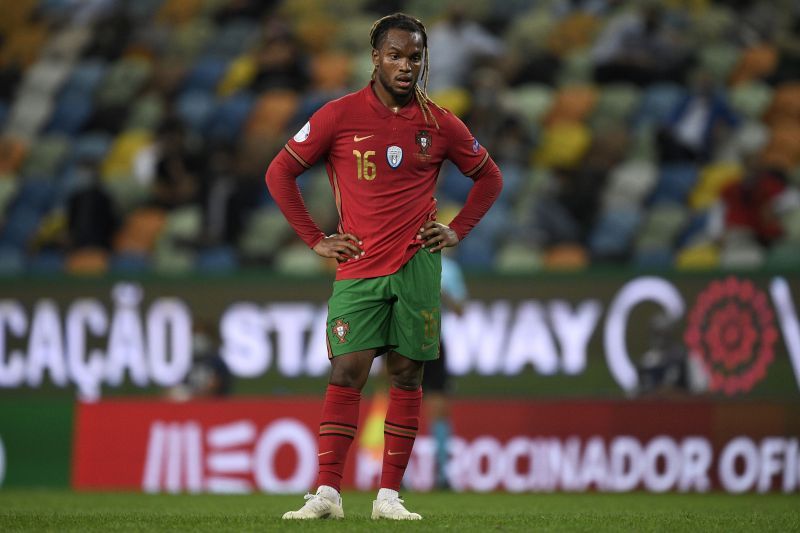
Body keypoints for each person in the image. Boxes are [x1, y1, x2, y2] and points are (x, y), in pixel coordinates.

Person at [265, 13, 502, 520]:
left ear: (423, 60)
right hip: (360, 263)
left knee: (408, 375)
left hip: (417, 264)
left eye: (414, 57)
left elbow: (490, 178)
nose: (405, 65)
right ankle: (327, 493)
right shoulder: (338, 115)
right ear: (375, 58)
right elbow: (279, 171)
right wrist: (315, 239)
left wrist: (458, 229)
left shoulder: (439, 122)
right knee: (347, 370)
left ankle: (388, 497)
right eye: (394, 55)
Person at [423, 252, 468, 489]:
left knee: (438, 407)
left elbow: (461, 309)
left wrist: (439, 293)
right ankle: (397, 476)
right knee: (398, 403)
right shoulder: (398, 257)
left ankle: (441, 474)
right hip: (399, 338)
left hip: (433, 340)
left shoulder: (448, 268)